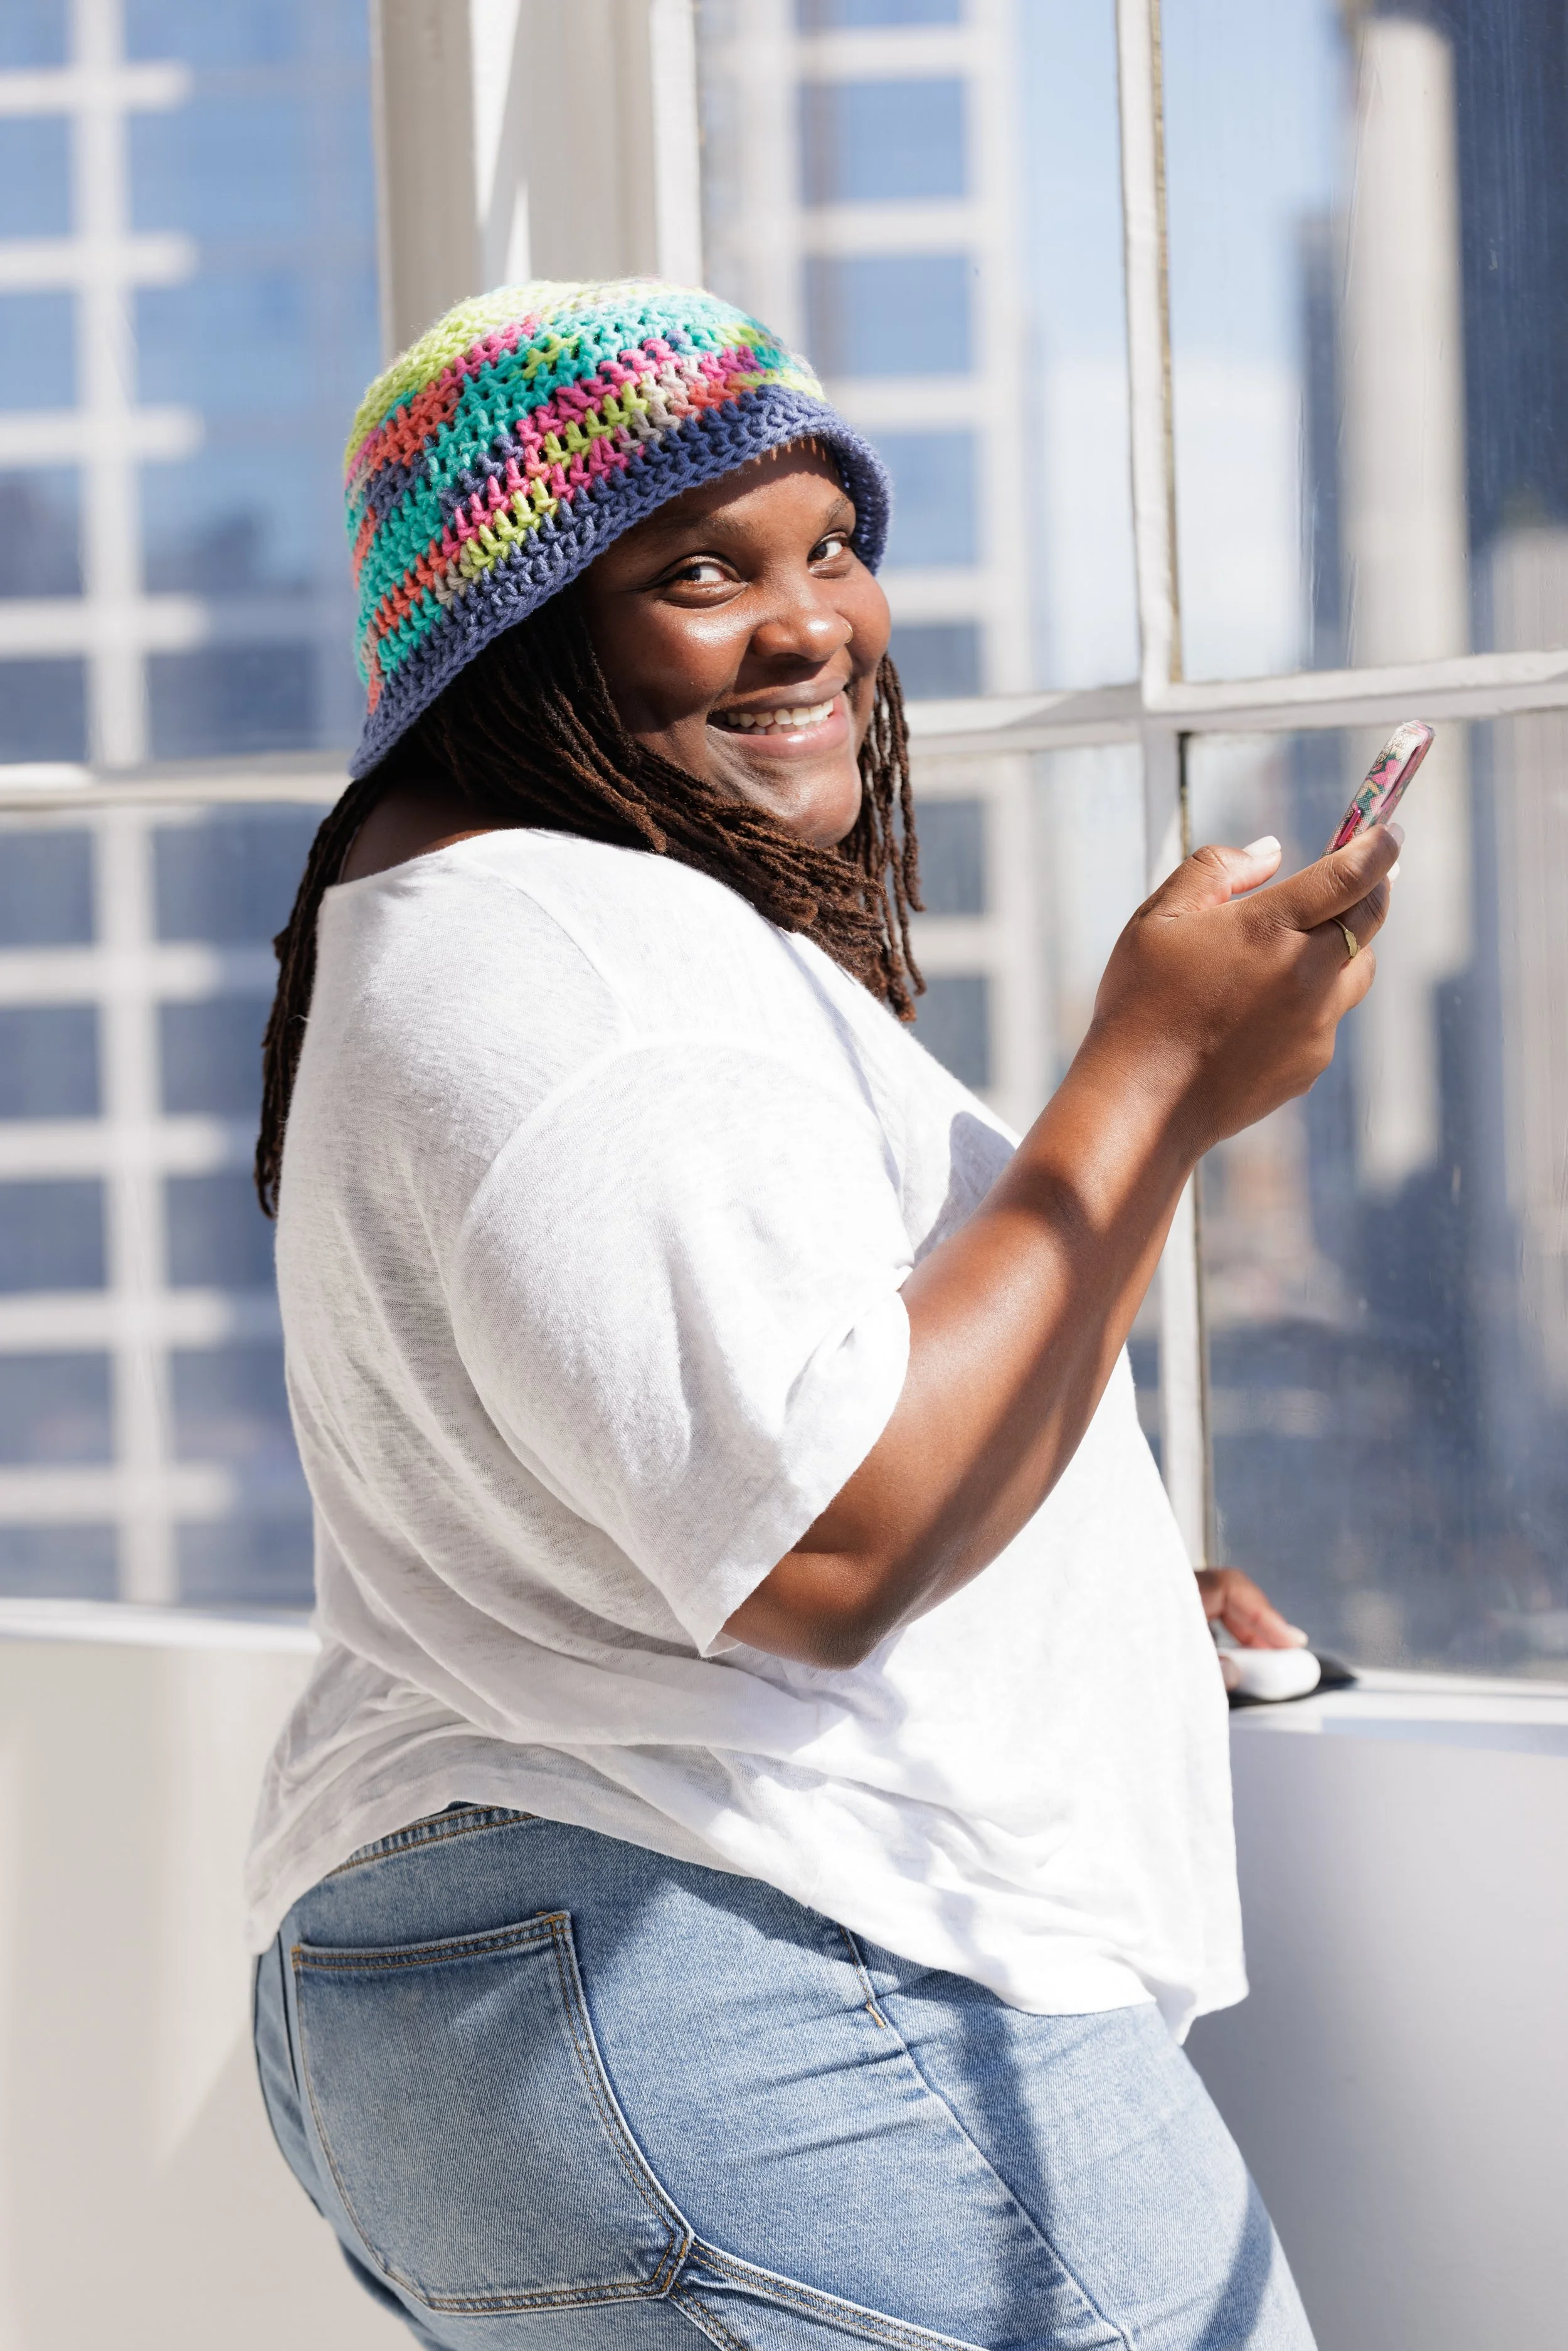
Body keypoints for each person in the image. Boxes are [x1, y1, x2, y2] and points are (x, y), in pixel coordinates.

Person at [248, 280, 1394, 2351]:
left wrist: (1088, 1579)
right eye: (698, 570)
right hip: (758, 1976)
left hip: (504, 1985)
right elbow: (821, 1542)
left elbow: (706, 1460)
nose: (809, 629)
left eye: (832, 549)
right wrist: (1153, 1072)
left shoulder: (456, 935)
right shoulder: (582, 961)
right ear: (513, 631)